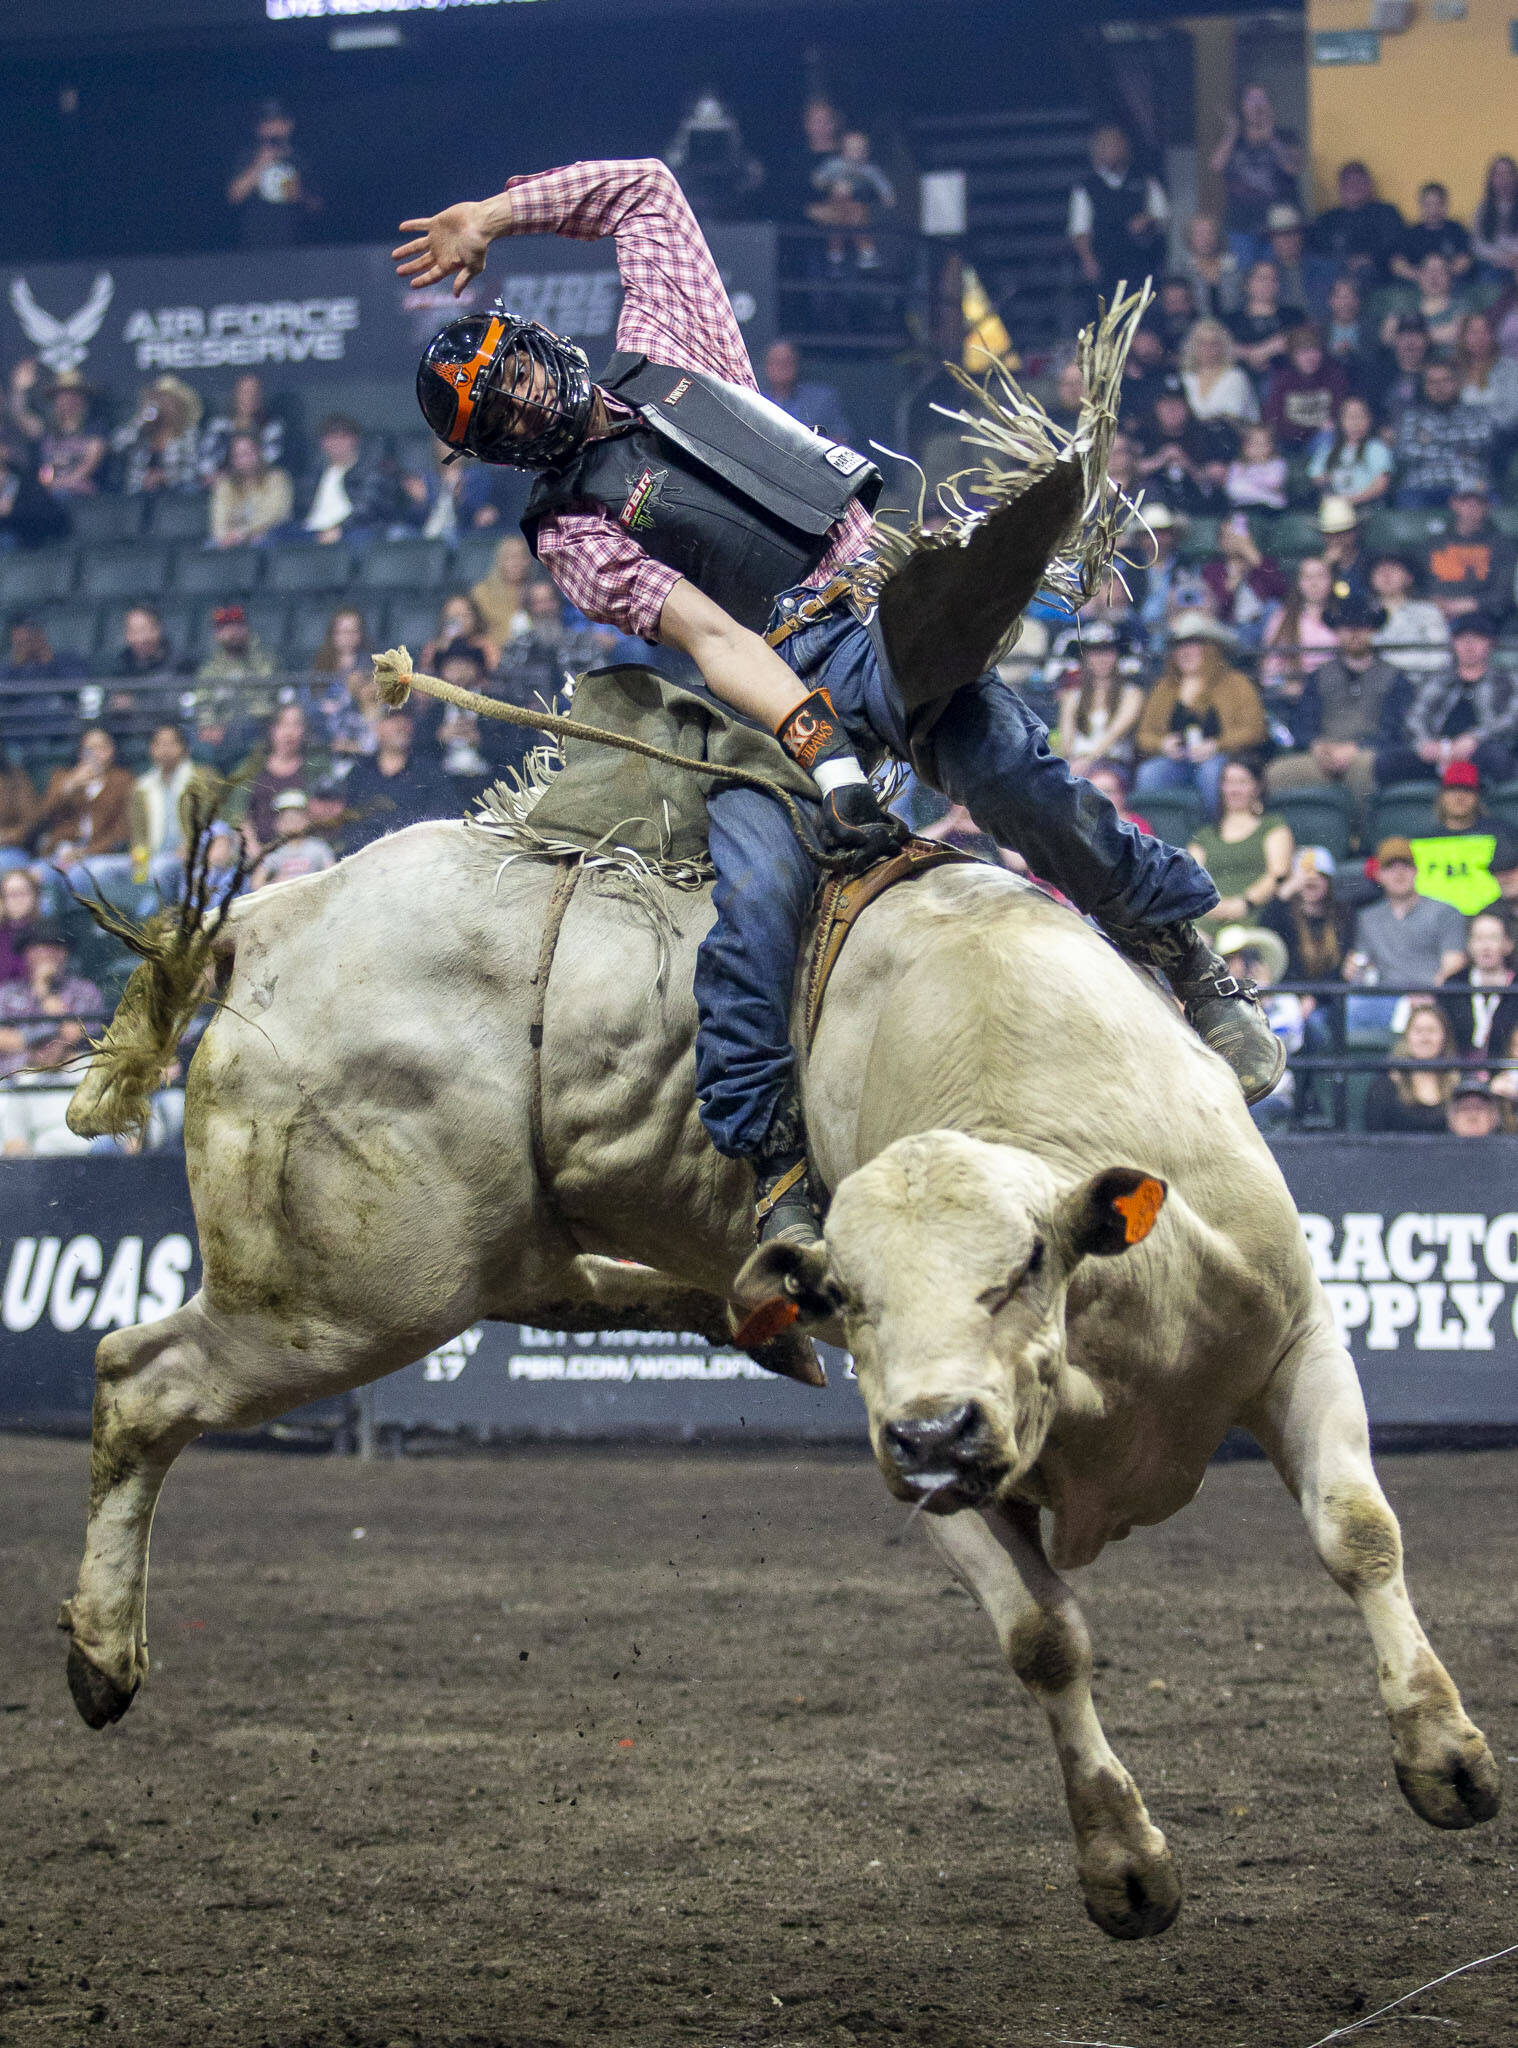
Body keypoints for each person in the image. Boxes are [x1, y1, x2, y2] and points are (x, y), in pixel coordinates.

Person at [396, 153, 1283, 1250]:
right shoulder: (570, 529)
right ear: (495, 450)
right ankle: (772, 1169)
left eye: (518, 372)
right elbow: (710, 635)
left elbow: (645, 190)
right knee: (757, 902)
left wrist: (490, 207)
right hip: (767, 685)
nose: (528, 399)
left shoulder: (669, 338)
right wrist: (819, 747)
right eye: (502, 411)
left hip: (875, 598)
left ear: (542, 345)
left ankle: (1184, 951)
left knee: (1011, 773)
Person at [1265, 593, 1409, 808]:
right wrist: (1317, 746)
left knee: (1363, 767)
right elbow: (1302, 724)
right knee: (1277, 773)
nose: (1354, 633)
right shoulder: (1319, 676)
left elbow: (1396, 732)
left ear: (1373, 630)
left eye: (1362, 626)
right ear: (1337, 631)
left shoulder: (1394, 677)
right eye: (1346, 627)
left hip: (1368, 756)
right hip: (1323, 756)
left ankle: (1359, 837)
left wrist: (1356, 748)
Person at [1134, 613, 1266, 813]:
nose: (1185, 652)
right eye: (1180, 646)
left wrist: (1216, 745)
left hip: (1222, 758)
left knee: (1211, 772)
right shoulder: (1164, 687)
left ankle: (1217, 834)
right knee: (1149, 773)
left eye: (1193, 645)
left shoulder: (1236, 683)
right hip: (1177, 761)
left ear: (1211, 649)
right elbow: (1143, 736)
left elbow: (1255, 730)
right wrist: (1163, 745)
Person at [1391, 619, 1518, 788]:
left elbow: (1512, 718)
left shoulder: (1506, 680)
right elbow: (1416, 716)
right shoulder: (1438, 679)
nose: (1469, 645)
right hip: (1436, 751)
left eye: (1477, 638)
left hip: (1482, 751)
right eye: (1462, 639)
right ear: (1453, 643)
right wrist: (1426, 743)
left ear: (1490, 643)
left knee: (1497, 757)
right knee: (1388, 763)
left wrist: (1475, 738)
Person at [1346, 835, 1467, 996]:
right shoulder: (1366, 918)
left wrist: (1430, 997)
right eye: (1390, 867)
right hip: (1384, 999)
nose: (1399, 872)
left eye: (1406, 865)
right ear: (1379, 874)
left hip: (1430, 998)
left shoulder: (1445, 912)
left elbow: (1454, 963)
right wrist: (1353, 969)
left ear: (1416, 870)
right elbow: (1361, 966)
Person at [1189, 757, 1293, 932]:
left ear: (1257, 786)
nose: (1234, 790)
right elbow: (1189, 879)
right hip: (1208, 917)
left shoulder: (1273, 826)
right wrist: (1212, 906)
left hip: (1255, 915)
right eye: (1229, 782)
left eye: (1242, 782)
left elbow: (1278, 873)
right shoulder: (1204, 835)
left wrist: (1245, 903)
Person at [1066, 125, 1167, 301]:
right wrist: (1088, 260)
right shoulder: (1086, 186)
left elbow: (1162, 214)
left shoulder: (1144, 179)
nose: (1112, 151)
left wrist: (1147, 221)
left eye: (1116, 145)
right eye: (1106, 146)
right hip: (1105, 261)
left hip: (1141, 259)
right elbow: (1080, 229)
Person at [1208, 85, 1302, 270]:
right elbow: (1216, 166)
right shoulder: (1232, 139)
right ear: (1242, 106)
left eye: (1262, 100)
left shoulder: (1285, 136)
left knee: (1278, 272)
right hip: (1241, 223)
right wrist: (1232, 132)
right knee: (1244, 273)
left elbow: (1293, 168)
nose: (1257, 106)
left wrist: (1272, 138)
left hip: (1279, 225)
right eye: (1251, 100)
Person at [338, 708, 456, 853]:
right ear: (377, 727)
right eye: (392, 719)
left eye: (406, 720)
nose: (401, 726)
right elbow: (349, 823)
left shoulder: (429, 773)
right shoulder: (359, 773)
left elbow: (442, 820)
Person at [1408, 762, 1518, 916]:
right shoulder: (1419, 841)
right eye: (1452, 790)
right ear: (1442, 796)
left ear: (1477, 796)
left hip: (1490, 922)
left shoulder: (1501, 833)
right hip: (1431, 924)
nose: (1459, 797)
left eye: (1467, 790)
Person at [0, 923, 103, 1080]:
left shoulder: (84, 990)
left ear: (65, 952)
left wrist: (45, 993)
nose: (46, 954)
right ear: (26, 953)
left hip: (65, 1073)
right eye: (38, 947)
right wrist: (35, 1049)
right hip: (17, 1076)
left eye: (54, 947)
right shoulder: (8, 992)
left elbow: (74, 1033)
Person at [1393, 358, 1494, 508]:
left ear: (1457, 383)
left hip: (1467, 486)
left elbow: (1483, 440)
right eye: (1432, 382)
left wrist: (1431, 441)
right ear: (1425, 386)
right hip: (1423, 487)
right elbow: (1407, 451)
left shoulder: (1476, 413)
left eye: (1445, 380)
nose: (1439, 387)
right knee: (1409, 501)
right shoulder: (1412, 416)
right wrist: (1459, 448)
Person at [33, 728, 132, 873]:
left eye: (101, 748)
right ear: (81, 753)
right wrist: (69, 786)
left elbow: (121, 831)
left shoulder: (123, 781)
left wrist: (85, 852)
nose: (95, 755)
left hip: (99, 854)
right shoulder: (62, 777)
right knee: (35, 874)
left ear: (111, 751)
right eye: (89, 749)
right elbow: (43, 816)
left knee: (78, 875)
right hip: (62, 852)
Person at [227, 99, 319, 249]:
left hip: (294, 246)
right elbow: (234, 196)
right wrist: (259, 164)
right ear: (258, 128)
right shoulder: (248, 156)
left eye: (275, 121)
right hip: (253, 247)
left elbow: (317, 206)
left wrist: (300, 195)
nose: (270, 127)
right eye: (266, 122)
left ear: (288, 125)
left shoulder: (300, 159)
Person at [1420, 482, 1517, 626]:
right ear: (1454, 503)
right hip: (1433, 613)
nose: (1472, 505)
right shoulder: (1434, 543)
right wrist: (1433, 603)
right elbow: (1419, 581)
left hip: (1482, 617)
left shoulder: (1502, 545)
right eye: (1465, 500)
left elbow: (1504, 592)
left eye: (1479, 502)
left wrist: (1465, 605)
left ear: (1488, 506)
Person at [1054, 624, 1144, 775]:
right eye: (1095, 652)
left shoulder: (1132, 694)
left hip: (1113, 764)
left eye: (1107, 651)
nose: (1101, 658)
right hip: (1076, 764)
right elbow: (1066, 741)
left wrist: (1088, 760)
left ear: (1117, 655)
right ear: (1086, 656)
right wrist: (1074, 761)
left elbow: (1114, 734)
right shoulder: (1072, 696)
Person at [665, 89, 764, 225]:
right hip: (691, 203)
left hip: (728, 209)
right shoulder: (684, 140)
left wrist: (734, 143)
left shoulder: (735, 147)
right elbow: (670, 167)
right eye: (702, 135)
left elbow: (754, 176)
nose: (708, 142)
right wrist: (684, 138)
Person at [298, 417, 401, 546]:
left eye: (342, 437)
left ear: (355, 439)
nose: (336, 443)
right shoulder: (314, 475)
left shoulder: (368, 471)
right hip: (312, 531)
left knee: (361, 538)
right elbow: (300, 508)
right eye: (330, 437)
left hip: (349, 531)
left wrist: (340, 529)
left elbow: (366, 508)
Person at [1364, 1005, 1460, 1133]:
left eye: (1431, 1031)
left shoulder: (1458, 1083)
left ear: (1444, 1037)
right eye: (1418, 1031)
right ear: (1407, 1037)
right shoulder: (1386, 1083)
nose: (1425, 1037)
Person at [1307, 162, 1405, 283]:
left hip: (1375, 274)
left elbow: (1396, 245)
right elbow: (1316, 250)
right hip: (1335, 276)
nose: (1354, 187)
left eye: (1359, 182)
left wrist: (1370, 259)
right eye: (1348, 183)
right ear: (1340, 187)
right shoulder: (1327, 219)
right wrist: (1341, 263)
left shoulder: (1386, 213)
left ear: (1369, 185)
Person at [1439, 909, 1518, 1058]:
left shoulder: (1516, 984)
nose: (1486, 946)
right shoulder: (1453, 984)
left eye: (1493, 938)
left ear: (1508, 944)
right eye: (1479, 938)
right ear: (1469, 944)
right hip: (1457, 1072)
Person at [1262, 325, 1349, 451]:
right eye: (1302, 352)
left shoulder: (1333, 376)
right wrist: (1312, 427)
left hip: (1321, 439)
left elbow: (1339, 412)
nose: (1310, 357)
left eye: (1314, 351)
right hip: (1288, 440)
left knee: (1329, 435)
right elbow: (1275, 421)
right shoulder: (1282, 380)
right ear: (1292, 356)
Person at [113, 376, 203, 496]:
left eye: (168, 400)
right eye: (158, 400)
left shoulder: (189, 434)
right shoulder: (141, 434)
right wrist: (141, 420)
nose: (163, 405)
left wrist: (165, 477)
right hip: (139, 495)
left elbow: (192, 472)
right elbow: (116, 446)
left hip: (176, 496)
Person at [1262, 555, 1339, 688]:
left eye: (1321, 576)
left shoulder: (1343, 615)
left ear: (1331, 580)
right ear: (1298, 583)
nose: (1314, 583)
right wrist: (1284, 686)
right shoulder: (1282, 618)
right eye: (1307, 577)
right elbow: (1271, 668)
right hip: (1295, 693)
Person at [1368, 553, 1450, 678]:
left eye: (1393, 569)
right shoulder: (1364, 613)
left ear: (1409, 578)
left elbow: (1441, 656)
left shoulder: (1428, 612)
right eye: (1379, 571)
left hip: (1420, 681)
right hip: (1376, 684)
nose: (1386, 575)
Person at [198, 371, 288, 481]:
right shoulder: (218, 426)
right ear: (235, 395)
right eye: (245, 393)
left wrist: (230, 475)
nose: (250, 398)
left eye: (255, 393)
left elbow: (269, 460)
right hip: (223, 488)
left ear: (261, 398)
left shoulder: (273, 427)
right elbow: (204, 464)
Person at [210, 430, 293, 549]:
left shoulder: (277, 478)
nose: (244, 460)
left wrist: (244, 533)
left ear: (259, 452)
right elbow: (218, 520)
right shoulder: (224, 485)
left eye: (248, 453)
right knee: (210, 547)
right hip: (230, 541)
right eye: (238, 456)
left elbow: (276, 514)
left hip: (267, 537)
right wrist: (226, 537)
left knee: (262, 541)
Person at [1306, 394, 1392, 509]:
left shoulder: (1377, 448)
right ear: (1341, 421)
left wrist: (1352, 500)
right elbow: (1316, 475)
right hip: (1335, 510)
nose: (1356, 423)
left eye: (1360, 417)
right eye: (1350, 417)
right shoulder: (1328, 449)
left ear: (1369, 420)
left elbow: (1381, 484)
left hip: (1367, 508)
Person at [759, 340, 852, 444]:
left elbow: (840, 439)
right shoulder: (756, 401)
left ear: (796, 363)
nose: (782, 367)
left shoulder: (823, 399)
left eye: (787, 361)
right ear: (766, 366)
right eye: (776, 362)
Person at [311, 606, 376, 753]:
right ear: (333, 634)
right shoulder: (319, 666)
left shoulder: (373, 666)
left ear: (361, 634)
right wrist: (321, 707)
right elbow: (308, 701)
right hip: (328, 738)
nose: (348, 636)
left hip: (360, 738)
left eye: (354, 631)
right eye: (343, 631)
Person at [1381, 252, 1468, 353]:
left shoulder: (1461, 305)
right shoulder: (1403, 304)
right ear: (1419, 276)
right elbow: (1387, 337)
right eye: (1428, 271)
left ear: (1449, 277)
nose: (1434, 277)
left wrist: (1411, 337)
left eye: (1441, 271)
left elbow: (1458, 335)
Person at [249, 789, 336, 889]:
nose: (292, 824)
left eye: (297, 818)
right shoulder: (273, 851)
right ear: (278, 823)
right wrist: (274, 884)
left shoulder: (318, 847)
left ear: (307, 820)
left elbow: (332, 875)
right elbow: (256, 884)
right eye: (287, 819)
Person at [1179, 318, 1258, 426]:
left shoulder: (1236, 377)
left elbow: (1240, 417)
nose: (1207, 349)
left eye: (1214, 343)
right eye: (1202, 343)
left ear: (1223, 346)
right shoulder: (1184, 378)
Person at [1392, 182, 1474, 285]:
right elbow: (1397, 264)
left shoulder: (1456, 229)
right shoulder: (1410, 233)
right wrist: (1420, 276)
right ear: (1421, 206)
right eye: (1428, 205)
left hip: (1451, 283)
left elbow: (1465, 260)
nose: (1433, 210)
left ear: (1445, 205)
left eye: (1438, 204)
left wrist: (1442, 276)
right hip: (1417, 284)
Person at [1455, 312, 1518, 438]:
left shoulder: (1509, 368)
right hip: (1458, 436)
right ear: (1463, 338)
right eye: (1473, 333)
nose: (1480, 338)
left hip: (1499, 438)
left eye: (1485, 332)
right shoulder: (1453, 370)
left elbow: (1513, 412)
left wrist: (1479, 427)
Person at [1177, 213, 1240, 318]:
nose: (1205, 239)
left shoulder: (1235, 269)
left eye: (1210, 233)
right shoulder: (1181, 271)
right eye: (1199, 234)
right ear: (1189, 238)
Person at [1472, 155, 1518, 284]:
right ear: (1491, 180)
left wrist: (1514, 258)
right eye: (1498, 175)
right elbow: (1478, 244)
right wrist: (1501, 259)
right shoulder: (1482, 209)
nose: (1504, 179)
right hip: (1492, 264)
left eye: (1508, 173)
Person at [1225, 422, 1287, 511]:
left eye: (1263, 444)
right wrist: (1258, 487)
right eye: (1254, 444)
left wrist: (1249, 484)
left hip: (1270, 508)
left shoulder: (1277, 464)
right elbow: (1232, 489)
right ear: (1245, 447)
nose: (1258, 448)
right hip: (1243, 507)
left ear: (1271, 446)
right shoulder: (1237, 465)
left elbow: (1274, 483)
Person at [0, 866, 45, 982]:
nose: (18, 899)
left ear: (35, 895)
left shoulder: (46, 931)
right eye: (11, 894)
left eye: (23, 893)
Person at [1445, 1076, 1509, 1138]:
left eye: (1479, 1108)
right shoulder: (1437, 1148)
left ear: (1493, 1117)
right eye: (1465, 1108)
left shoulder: (1511, 1148)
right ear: (1452, 1119)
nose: (1472, 1113)